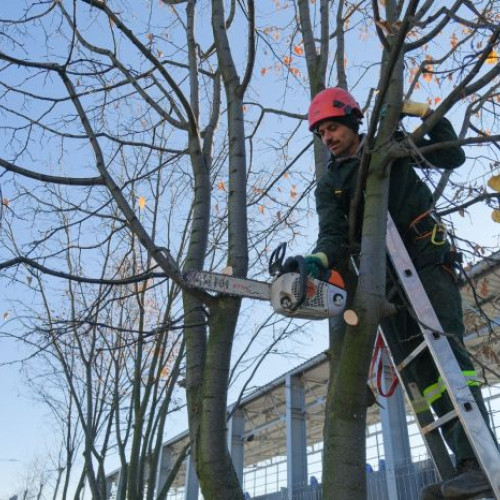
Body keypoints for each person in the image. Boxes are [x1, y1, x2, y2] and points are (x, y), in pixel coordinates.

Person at [299, 87, 496, 499]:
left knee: (449, 358)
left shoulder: (390, 145)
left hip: (424, 259)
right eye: (321, 134)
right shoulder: (330, 184)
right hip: (387, 281)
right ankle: (461, 465)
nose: (327, 138)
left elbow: (450, 155)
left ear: (352, 121)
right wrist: (318, 260)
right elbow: (332, 235)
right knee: (424, 377)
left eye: (332, 128)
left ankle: (481, 459)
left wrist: (417, 111)